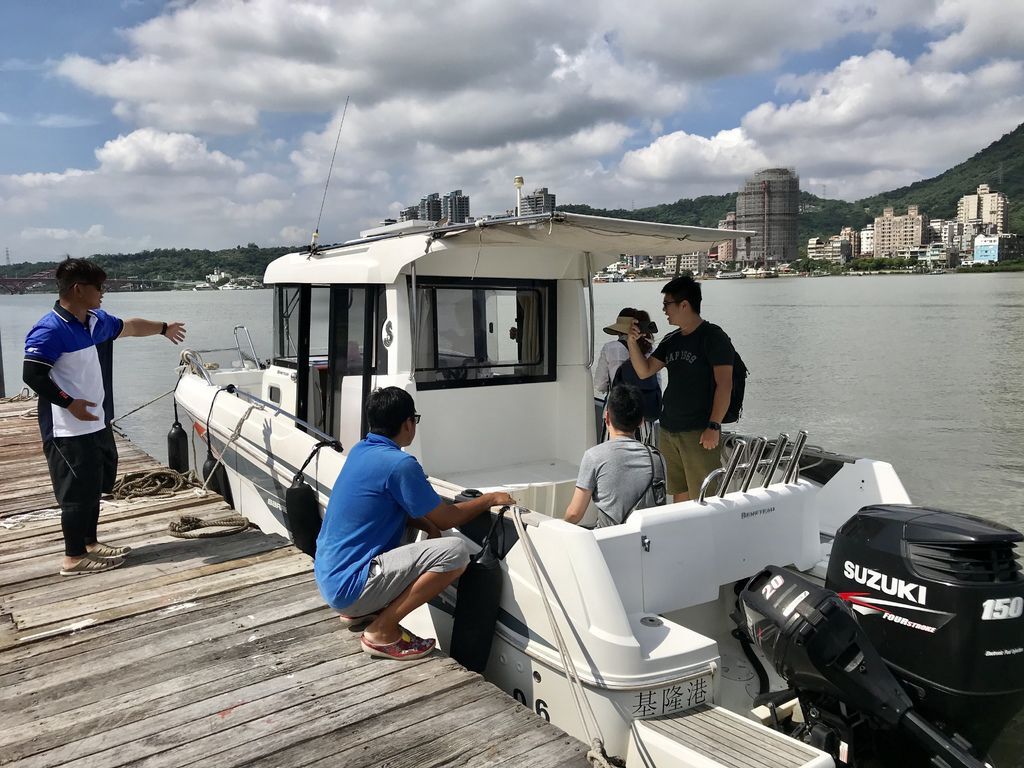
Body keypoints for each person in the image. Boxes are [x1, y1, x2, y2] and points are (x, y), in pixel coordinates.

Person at [314, 386, 514, 661]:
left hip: (331, 579)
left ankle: (360, 611)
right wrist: (489, 499)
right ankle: (381, 631)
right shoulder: (399, 465)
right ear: (408, 423)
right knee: (455, 552)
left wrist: (429, 527)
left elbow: (395, 511)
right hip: (351, 587)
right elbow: (448, 518)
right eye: (414, 420)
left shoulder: (361, 450)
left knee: (407, 516)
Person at [22, 258, 187, 576]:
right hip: (67, 427)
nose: (103, 292)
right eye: (99, 287)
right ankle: (72, 558)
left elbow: (132, 326)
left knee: (95, 485)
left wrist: (163, 329)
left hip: (95, 421)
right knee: (75, 493)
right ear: (78, 289)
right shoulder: (50, 329)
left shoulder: (95, 321)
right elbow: (33, 376)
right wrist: (69, 403)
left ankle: (90, 543)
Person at [627, 275, 735, 503]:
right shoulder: (671, 340)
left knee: (704, 496)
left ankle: (705, 538)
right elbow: (645, 371)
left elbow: (725, 384)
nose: (664, 310)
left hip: (699, 431)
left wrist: (714, 425)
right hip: (669, 430)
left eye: (667, 304)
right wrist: (632, 343)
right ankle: (683, 535)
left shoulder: (713, 337)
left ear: (684, 304)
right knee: (678, 491)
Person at [564, 384, 666, 528]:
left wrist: (557, 528)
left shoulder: (594, 456)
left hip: (609, 542)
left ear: (607, 417)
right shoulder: (657, 458)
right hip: (647, 541)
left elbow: (575, 514)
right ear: (641, 421)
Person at [592, 307, 637, 396]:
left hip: (618, 404)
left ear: (618, 331)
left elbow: (599, 384)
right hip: (645, 405)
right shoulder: (650, 348)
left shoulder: (610, 348)